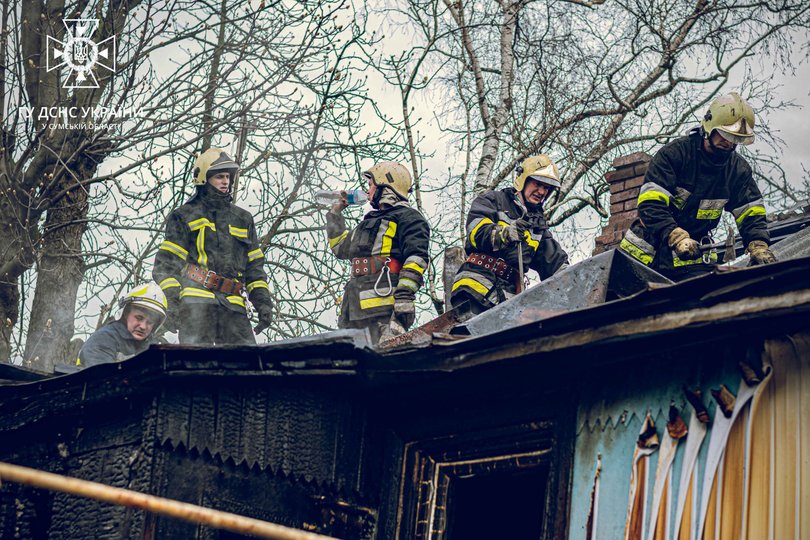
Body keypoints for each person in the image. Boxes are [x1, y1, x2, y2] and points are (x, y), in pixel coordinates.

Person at [619, 92, 776, 280]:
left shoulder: (737, 170)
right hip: (642, 255)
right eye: (725, 135)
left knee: (699, 300)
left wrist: (758, 244)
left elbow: (751, 212)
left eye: (736, 138)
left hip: (690, 258)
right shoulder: (675, 155)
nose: (729, 142)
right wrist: (675, 236)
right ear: (709, 128)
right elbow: (650, 204)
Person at [152, 148, 273, 345]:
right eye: (219, 176)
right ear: (203, 178)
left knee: (246, 365)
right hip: (195, 303)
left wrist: (263, 303)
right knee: (198, 366)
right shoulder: (184, 215)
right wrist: (173, 303)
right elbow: (166, 265)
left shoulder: (243, 219)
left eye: (228, 177)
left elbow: (255, 269)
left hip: (233, 306)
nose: (226, 181)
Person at [451, 154, 569, 315]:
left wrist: (581, 279)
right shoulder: (493, 200)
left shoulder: (537, 226)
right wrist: (505, 234)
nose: (541, 191)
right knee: (475, 337)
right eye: (538, 184)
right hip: (475, 287)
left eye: (546, 188)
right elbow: (475, 232)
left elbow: (556, 264)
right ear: (523, 179)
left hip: (509, 297)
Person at [325, 162, 430, 343]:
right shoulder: (367, 223)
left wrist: (404, 297)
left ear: (386, 185)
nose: (368, 190)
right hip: (353, 311)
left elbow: (416, 259)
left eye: (371, 184)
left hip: (384, 310)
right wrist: (335, 214)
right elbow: (340, 248)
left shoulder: (409, 218)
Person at [77, 283, 167, 367]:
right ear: (125, 313)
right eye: (139, 318)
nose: (143, 326)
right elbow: (101, 378)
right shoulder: (103, 339)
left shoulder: (153, 350)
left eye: (149, 322)